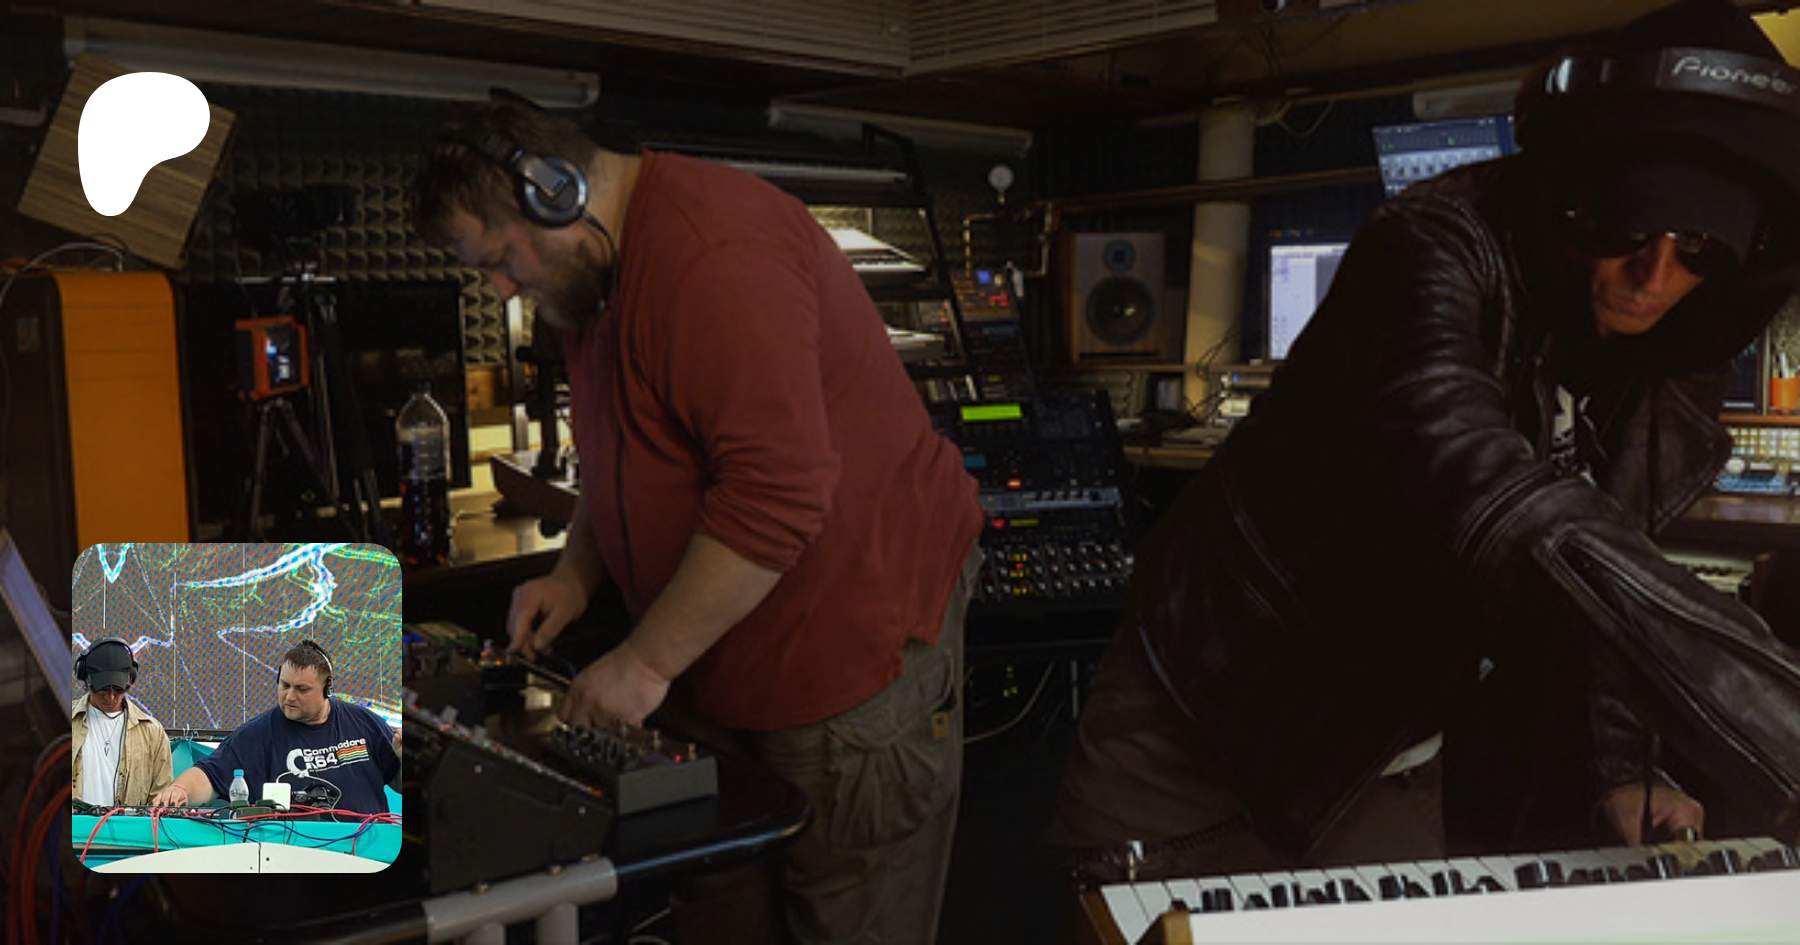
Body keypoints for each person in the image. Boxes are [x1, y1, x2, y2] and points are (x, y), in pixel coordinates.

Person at [1051, 0, 1800, 885]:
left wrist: (1618, 763)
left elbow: (1603, 562)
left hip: (1385, 752)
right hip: (1201, 723)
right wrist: (1776, 715)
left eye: (1700, 247)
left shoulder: (1675, 343)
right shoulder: (1432, 245)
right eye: (1629, 230)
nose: (1655, 277)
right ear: (1572, 191)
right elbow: (1491, 495)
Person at [409, 101, 983, 944]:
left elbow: (779, 492)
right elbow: (626, 445)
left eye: (499, 258)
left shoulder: (715, 254)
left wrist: (645, 661)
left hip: (848, 647)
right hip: (716, 657)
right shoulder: (589, 276)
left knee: (845, 914)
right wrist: (577, 573)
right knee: (719, 910)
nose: (500, 287)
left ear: (558, 192)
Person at [149, 640, 399, 817]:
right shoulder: (257, 734)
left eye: (302, 689)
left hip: (368, 852)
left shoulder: (364, 723)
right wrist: (179, 790)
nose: (289, 696)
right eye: (284, 685)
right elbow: (210, 775)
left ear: (327, 688)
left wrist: (402, 757)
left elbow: (398, 783)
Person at [71, 638, 174, 807]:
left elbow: (160, 798)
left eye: (119, 689)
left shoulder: (152, 732)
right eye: (102, 689)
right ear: (86, 679)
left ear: (130, 681)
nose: (111, 696)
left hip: (124, 825)